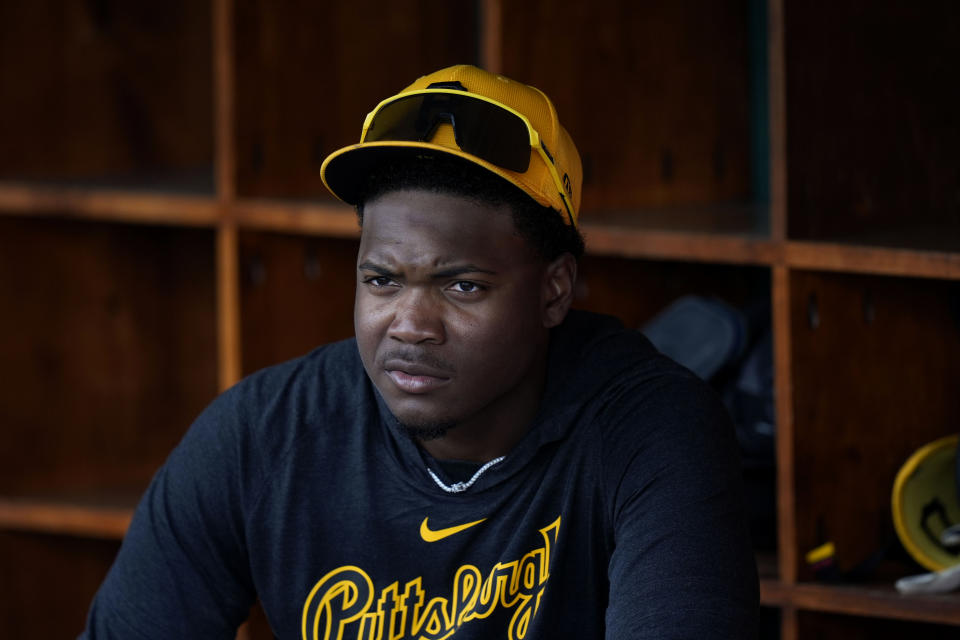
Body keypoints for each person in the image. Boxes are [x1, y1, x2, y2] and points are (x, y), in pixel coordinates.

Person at [81, 65, 758, 639]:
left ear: (554, 293)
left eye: (462, 285)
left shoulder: (653, 431)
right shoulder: (264, 435)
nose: (409, 325)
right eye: (381, 280)